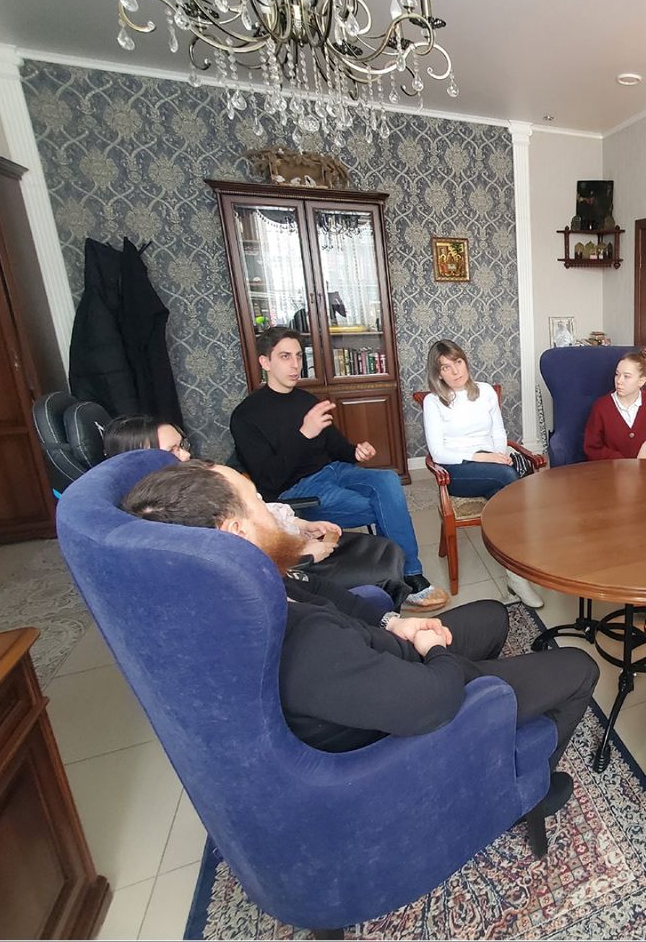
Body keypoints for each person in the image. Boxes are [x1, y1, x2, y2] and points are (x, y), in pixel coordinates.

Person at [119, 459, 599, 819]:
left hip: (383, 659)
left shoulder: (246, 585)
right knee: (579, 667)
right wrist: (434, 651)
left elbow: (329, 597)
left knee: (493, 615)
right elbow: (433, 702)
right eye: (258, 501)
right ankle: (525, 792)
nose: (271, 510)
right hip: (410, 698)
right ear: (236, 531)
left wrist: (396, 623)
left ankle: (487, 741)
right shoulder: (304, 646)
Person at [230, 326, 447, 610]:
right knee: (383, 507)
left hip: (334, 471)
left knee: (388, 481)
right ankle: (406, 577)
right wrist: (303, 434)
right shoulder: (246, 416)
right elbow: (269, 480)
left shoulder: (307, 401)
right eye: (285, 356)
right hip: (297, 490)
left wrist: (355, 451)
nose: (295, 364)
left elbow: (337, 447)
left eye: (298, 356)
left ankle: (404, 574)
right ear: (265, 362)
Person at [103, 414, 414, 608]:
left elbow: (259, 508)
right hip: (287, 566)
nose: (184, 454)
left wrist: (300, 524)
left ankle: (398, 601)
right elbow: (238, 564)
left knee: (386, 539)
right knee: (383, 556)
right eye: (171, 450)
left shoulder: (193, 482)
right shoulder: (168, 513)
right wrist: (300, 553)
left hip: (290, 537)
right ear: (138, 457)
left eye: (182, 445)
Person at [420, 339, 546, 609]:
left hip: (493, 467)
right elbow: (438, 453)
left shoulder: (486, 391)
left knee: (506, 492)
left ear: (465, 361)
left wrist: (499, 455)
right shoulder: (433, 402)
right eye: (446, 367)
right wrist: (484, 458)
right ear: (438, 374)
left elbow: (498, 431)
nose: (455, 371)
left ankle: (516, 577)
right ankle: (522, 571)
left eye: (458, 362)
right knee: (509, 480)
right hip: (456, 471)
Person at [583, 350, 646, 461]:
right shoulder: (601, 407)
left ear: (641, 381)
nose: (619, 381)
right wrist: (619, 460)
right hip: (611, 469)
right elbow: (592, 448)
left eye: (626, 376)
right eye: (617, 374)